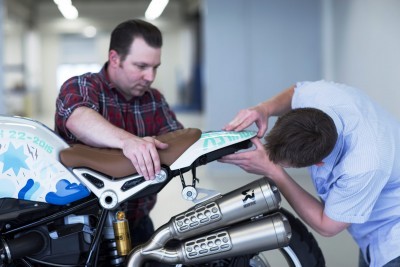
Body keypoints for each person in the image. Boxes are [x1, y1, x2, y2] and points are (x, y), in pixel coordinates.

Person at [220, 80, 400, 267]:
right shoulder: (320, 97)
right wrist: (264, 108)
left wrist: (274, 172)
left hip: (393, 237)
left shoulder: (363, 166)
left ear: (319, 163)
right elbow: (295, 91)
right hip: (371, 236)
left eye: (284, 163)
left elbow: (327, 226)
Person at [54, 19, 183, 264]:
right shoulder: (82, 85)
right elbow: (77, 117)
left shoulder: (153, 99)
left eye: (155, 67)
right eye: (141, 66)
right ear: (115, 58)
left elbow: (176, 140)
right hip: (82, 234)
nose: (150, 76)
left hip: (138, 225)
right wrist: (129, 142)